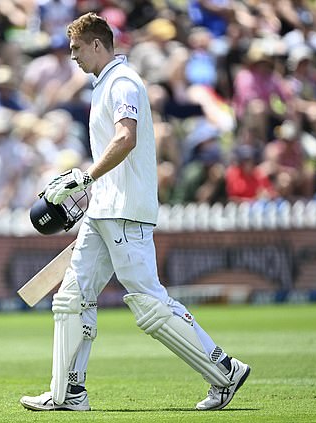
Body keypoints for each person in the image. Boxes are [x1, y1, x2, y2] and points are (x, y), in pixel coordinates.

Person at [19, 13, 250, 412]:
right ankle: (68, 393)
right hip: (104, 208)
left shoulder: (123, 82)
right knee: (72, 298)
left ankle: (224, 370)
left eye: (76, 49)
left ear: (96, 44)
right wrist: (93, 186)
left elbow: (127, 137)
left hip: (125, 209)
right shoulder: (104, 83)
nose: (73, 57)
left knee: (148, 303)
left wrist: (86, 177)